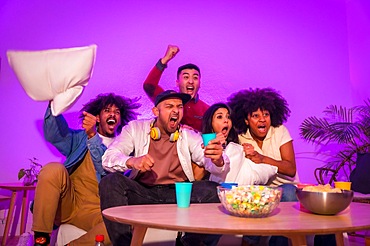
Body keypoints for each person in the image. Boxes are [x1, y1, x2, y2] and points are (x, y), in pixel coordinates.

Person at [100, 90, 226, 246]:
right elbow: (108, 158)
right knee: (110, 182)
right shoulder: (135, 128)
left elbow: (207, 158)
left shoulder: (188, 134)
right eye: (169, 106)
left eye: (179, 106)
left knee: (215, 191)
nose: (175, 110)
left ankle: (187, 243)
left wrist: (218, 159)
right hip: (144, 192)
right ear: (155, 111)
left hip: (178, 195)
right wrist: (132, 161)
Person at [32, 93, 141, 246]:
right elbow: (54, 136)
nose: (112, 114)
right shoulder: (79, 138)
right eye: (107, 110)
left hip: (97, 211)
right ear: (97, 117)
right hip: (69, 203)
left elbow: (106, 172)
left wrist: (92, 135)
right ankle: (41, 239)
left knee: (121, 227)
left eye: (117, 112)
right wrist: (54, 104)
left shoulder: (125, 149)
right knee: (52, 169)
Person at [227, 87, 298, 246]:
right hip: (258, 188)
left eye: (266, 114)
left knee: (287, 193)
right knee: (254, 198)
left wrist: (262, 158)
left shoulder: (279, 131)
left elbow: (290, 169)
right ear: (246, 120)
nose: (262, 119)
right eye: (256, 115)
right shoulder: (240, 137)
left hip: (285, 187)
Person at [143, 45, 210, 181]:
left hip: (194, 161)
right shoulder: (166, 100)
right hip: (166, 158)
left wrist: (195, 134)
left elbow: (211, 140)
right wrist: (165, 59)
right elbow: (148, 86)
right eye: (186, 77)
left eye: (195, 77)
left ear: (200, 83)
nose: (191, 81)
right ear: (177, 83)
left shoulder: (207, 110)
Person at [202, 102, 278, 185]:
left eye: (228, 117)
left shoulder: (236, 148)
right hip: (214, 192)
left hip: (239, 193)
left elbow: (258, 173)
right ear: (210, 123)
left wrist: (251, 156)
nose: (226, 120)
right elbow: (213, 165)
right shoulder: (201, 144)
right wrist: (217, 153)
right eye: (220, 117)